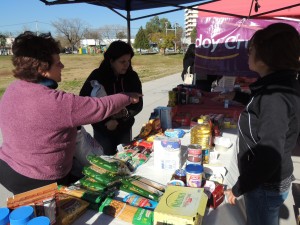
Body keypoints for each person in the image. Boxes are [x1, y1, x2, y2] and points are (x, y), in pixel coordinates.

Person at [0, 31, 142, 194]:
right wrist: (127, 97)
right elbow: (98, 107)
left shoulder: (14, 88)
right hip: (37, 178)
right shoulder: (53, 102)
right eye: (58, 63)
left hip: (9, 167)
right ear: (42, 68)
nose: (62, 66)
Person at [219, 23, 300, 225]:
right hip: (267, 181)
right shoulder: (276, 87)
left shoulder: (275, 96)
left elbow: (269, 155)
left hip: (264, 185)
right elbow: (263, 112)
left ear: (267, 56)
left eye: (251, 50)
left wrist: (238, 188)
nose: (248, 54)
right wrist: (237, 96)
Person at [80, 40, 143, 156]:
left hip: (124, 128)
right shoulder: (97, 76)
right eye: (122, 61)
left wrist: (125, 113)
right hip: (102, 130)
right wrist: (106, 121)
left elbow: (139, 103)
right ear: (111, 61)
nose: (126, 65)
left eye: (128, 61)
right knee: (105, 160)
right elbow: (84, 102)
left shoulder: (132, 76)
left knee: (125, 159)